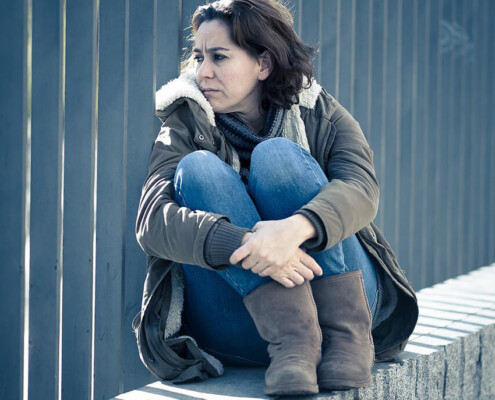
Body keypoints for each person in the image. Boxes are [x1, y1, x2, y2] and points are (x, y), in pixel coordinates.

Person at [133, 0, 419, 396]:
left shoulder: (316, 111)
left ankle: (345, 337)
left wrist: (292, 231)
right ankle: (295, 343)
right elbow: (152, 221)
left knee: (278, 156)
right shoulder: (184, 124)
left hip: (339, 309)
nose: (203, 72)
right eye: (199, 57)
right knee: (198, 169)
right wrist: (248, 243)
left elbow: (361, 188)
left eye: (219, 57)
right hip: (242, 325)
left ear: (263, 64)